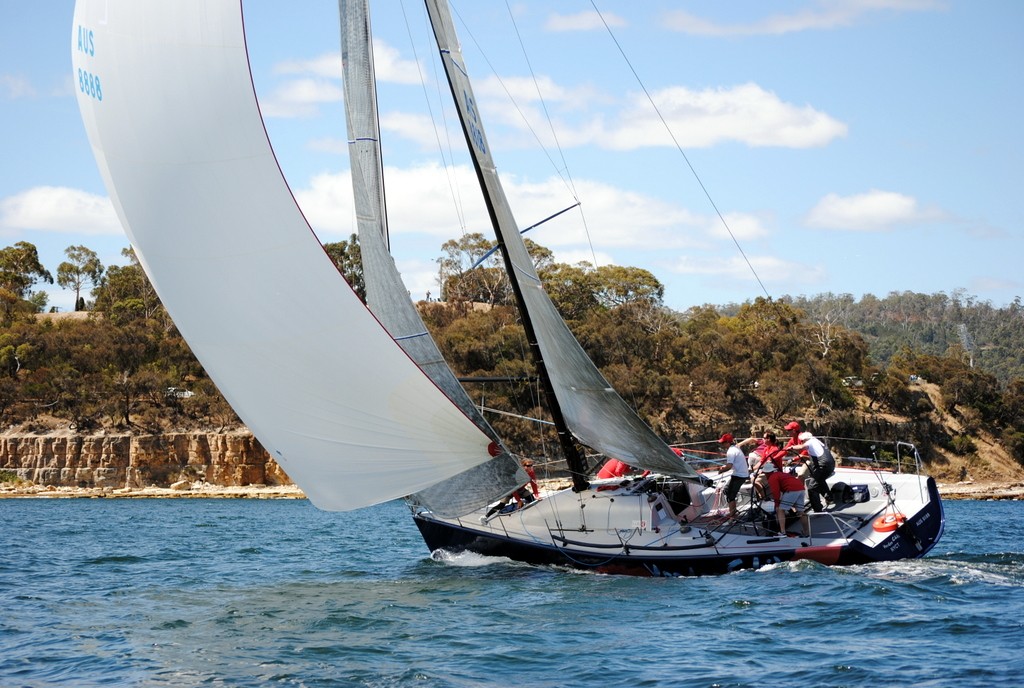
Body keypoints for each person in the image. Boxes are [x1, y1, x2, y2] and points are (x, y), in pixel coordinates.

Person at [786, 431, 836, 512]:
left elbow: (802, 447)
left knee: (812, 487)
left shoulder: (810, 442)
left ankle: (817, 509)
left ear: (805, 439)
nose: (802, 442)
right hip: (830, 464)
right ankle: (829, 498)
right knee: (819, 480)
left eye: (802, 441)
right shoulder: (817, 441)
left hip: (823, 465)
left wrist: (791, 447)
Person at [761, 460, 811, 540]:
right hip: (801, 488)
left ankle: (782, 532)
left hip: (792, 490)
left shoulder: (772, 478)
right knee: (801, 511)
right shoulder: (780, 474)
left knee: (780, 510)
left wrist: (777, 505)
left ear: (767, 473)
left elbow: (776, 492)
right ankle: (807, 533)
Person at [480, 458, 540, 522]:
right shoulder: (518, 473)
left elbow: (533, 484)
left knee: (532, 500)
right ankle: (486, 516)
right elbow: (514, 489)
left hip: (521, 490)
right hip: (511, 490)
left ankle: (528, 513)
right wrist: (519, 501)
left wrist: (537, 495)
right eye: (528, 466)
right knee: (501, 505)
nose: (531, 467)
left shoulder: (531, 473)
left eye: (532, 465)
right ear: (523, 466)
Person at [717, 433, 756, 518]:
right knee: (727, 490)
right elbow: (733, 464)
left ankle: (733, 517)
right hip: (740, 474)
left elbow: (729, 466)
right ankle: (733, 512)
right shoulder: (735, 448)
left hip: (739, 476)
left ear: (727, 442)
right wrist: (725, 466)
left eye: (723, 443)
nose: (722, 444)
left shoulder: (730, 451)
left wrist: (721, 470)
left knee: (730, 495)